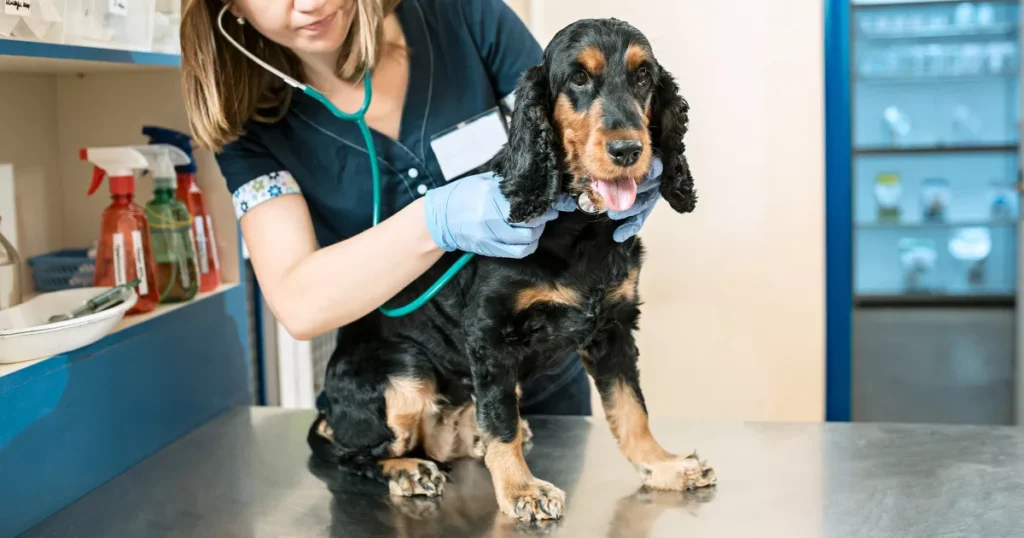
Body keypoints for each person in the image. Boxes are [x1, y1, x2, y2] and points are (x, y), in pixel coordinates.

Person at [179, 0, 664, 415]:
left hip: (536, 379)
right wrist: (436, 221)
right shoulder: (247, 126)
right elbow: (300, 305)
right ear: (229, 6)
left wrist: (624, 168)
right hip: (404, 391)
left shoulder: (460, 12)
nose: (311, 2)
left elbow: (567, 124)